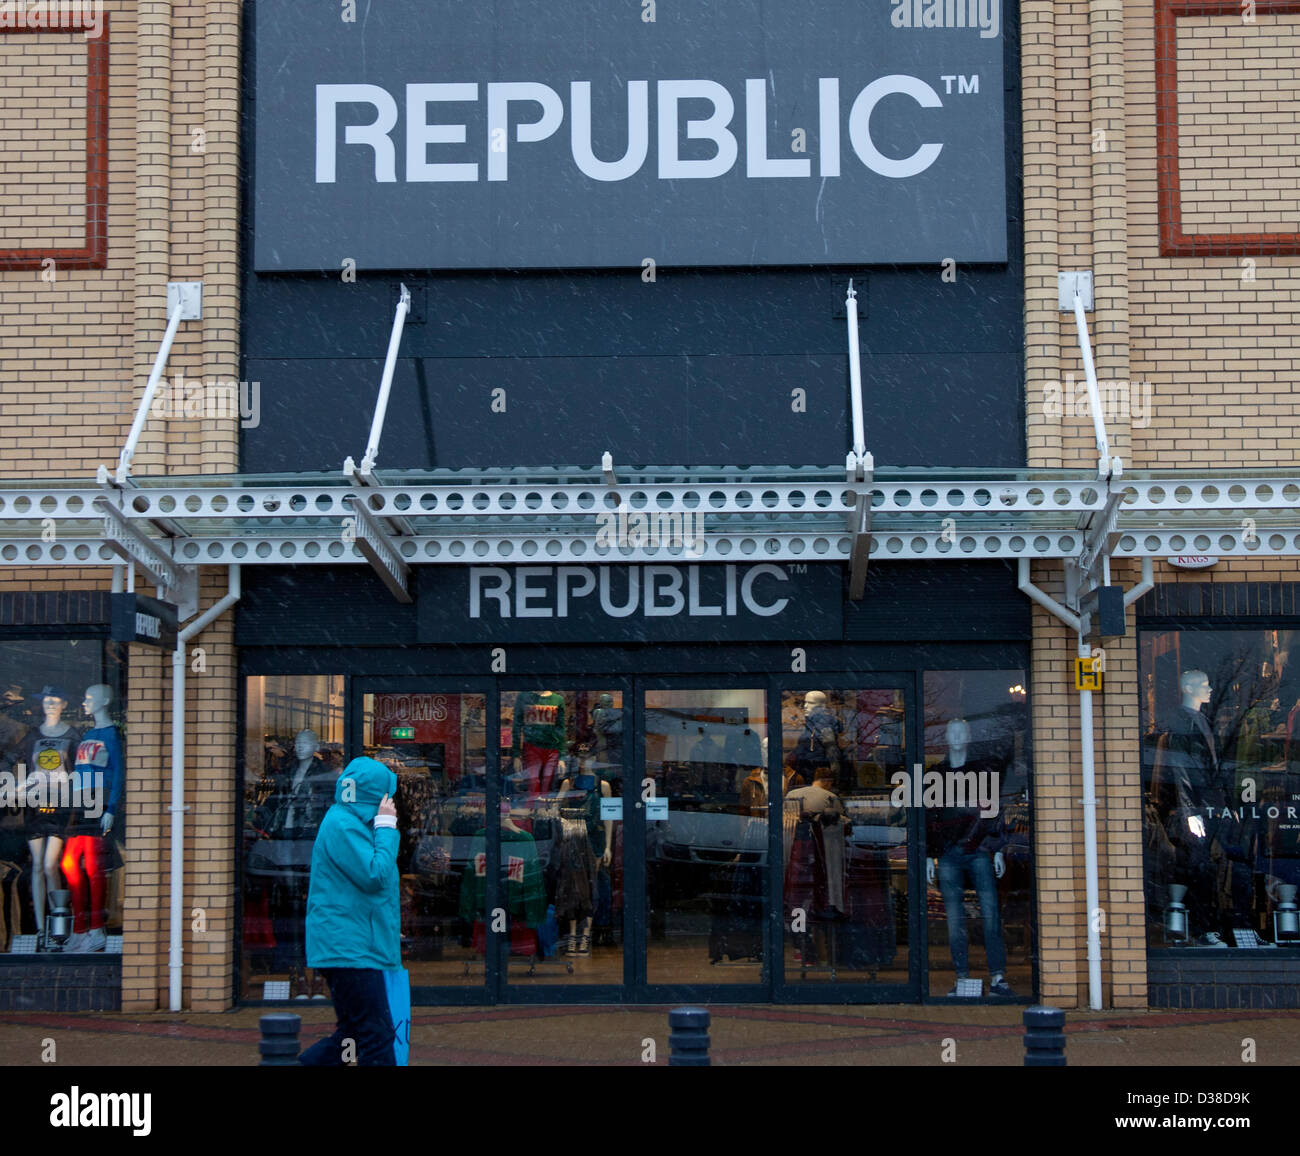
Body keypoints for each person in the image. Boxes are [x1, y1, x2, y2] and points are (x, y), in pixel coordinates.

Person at [298, 756, 401, 1066]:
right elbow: (375, 874)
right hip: (349, 951)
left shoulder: (348, 822)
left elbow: (360, 892)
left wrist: (386, 924)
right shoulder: (343, 824)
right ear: (373, 795)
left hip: (351, 946)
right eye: (386, 796)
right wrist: (386, 828)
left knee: (353, 1036)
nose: (390, 803)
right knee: (376, 1036)